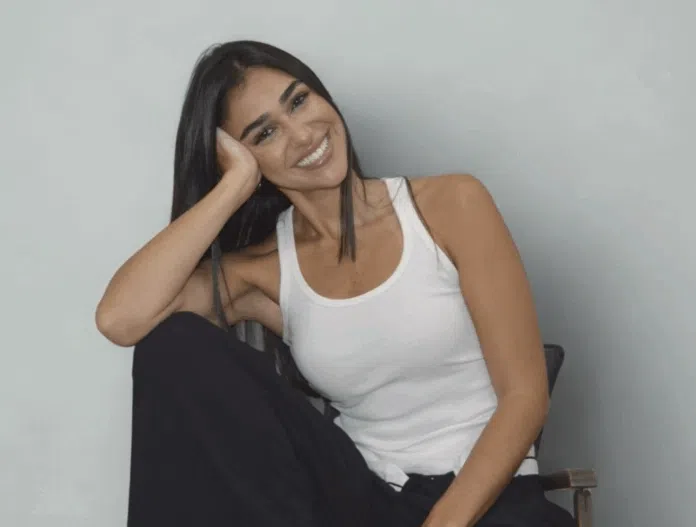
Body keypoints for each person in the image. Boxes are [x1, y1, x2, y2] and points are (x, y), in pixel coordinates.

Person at [95, 41, 574, 527]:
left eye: (299, 101)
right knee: (172, 342)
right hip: (365, 500)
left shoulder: (450, 205)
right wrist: (233, 186)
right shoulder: (264, 272)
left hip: (488, 502)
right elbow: (121, 319)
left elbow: (525, 396)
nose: (303, 135)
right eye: (265, 133)